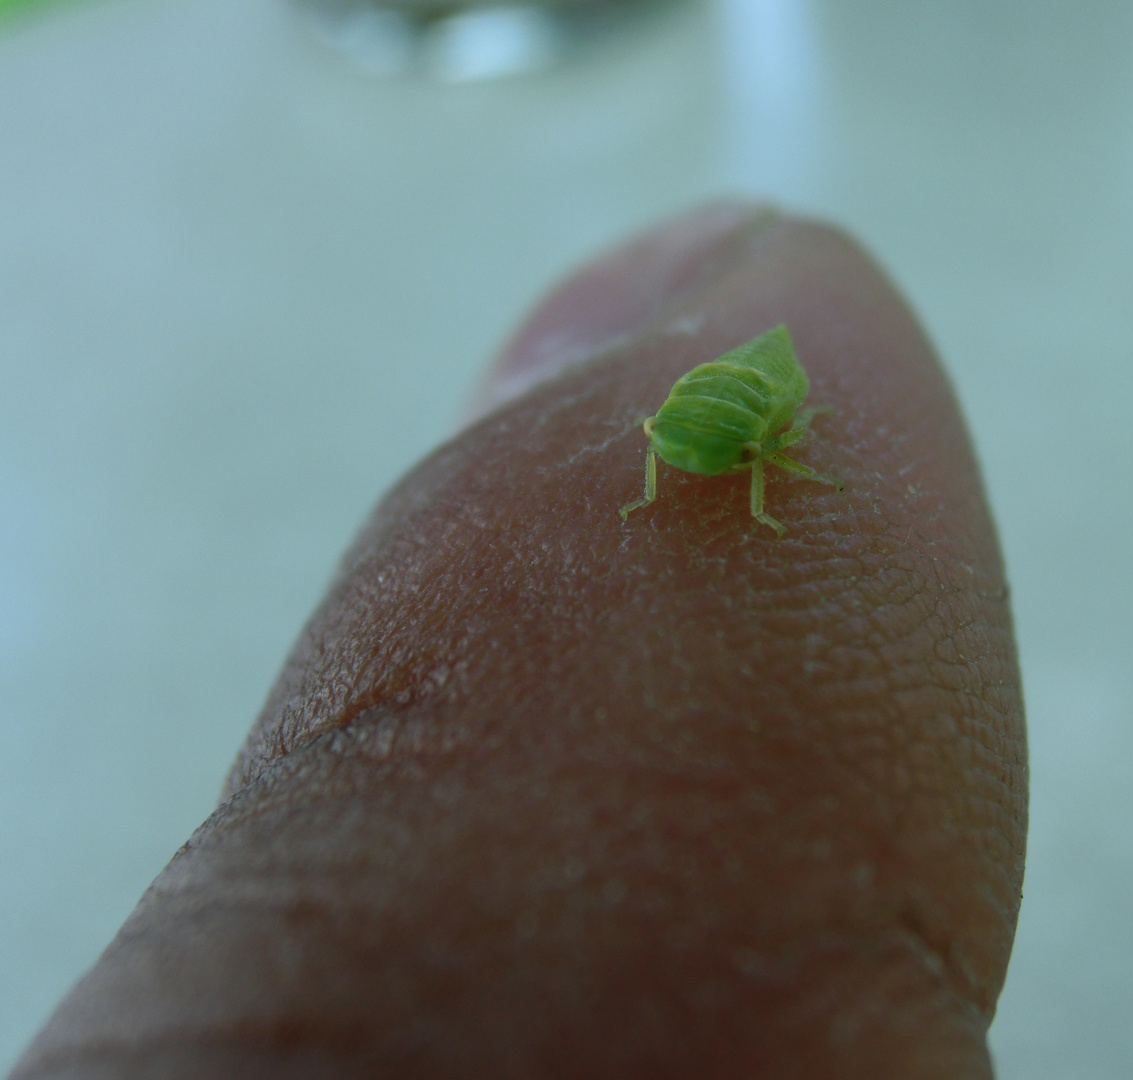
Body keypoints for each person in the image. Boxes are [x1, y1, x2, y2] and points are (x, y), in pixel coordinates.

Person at [10, 204, 1028, 1080]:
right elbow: (757, 463)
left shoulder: (728, 419)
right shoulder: (719, 431)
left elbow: (757, 455)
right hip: (706, 427)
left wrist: (718, 485)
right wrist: (733, 492)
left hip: (711, 423)